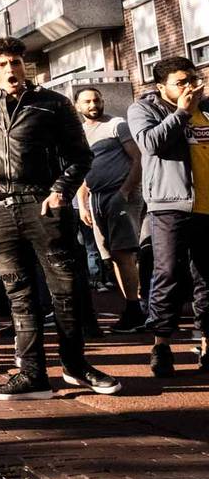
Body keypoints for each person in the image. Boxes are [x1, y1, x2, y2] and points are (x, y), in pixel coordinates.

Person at [0, 36, 118, 400]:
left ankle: (75, 365)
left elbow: (80, 156)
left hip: (43, 205)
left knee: (66, 290)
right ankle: (32, 374)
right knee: (19, 296)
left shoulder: (53, 104)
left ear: (26, 65)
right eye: (2, 65)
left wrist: (60, 190)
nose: (11, 70)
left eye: (16, 63)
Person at [127, 57, 209, 376]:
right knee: (169, 273)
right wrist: (181, 112)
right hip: (170, 204)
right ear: (162, 88)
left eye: (193, 78)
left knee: (207, 277)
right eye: (181, 82)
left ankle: (206, 345)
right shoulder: (144, 109)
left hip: (207, 206)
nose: (190, 86)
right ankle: (161, 344)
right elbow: (150, 144)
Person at [74, 87, 146, 334]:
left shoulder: (118, 125)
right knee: (113, 256)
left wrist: (124, 193)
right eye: (87, 101)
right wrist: (82, 201)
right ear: (78, 106)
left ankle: (136, 309)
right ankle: (132, 306)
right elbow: (82, 172)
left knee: (123, 252)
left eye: (96, 99)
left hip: (120, 194)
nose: (93, 104)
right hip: (96, 199)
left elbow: (138, 159)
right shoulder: (79, 132)